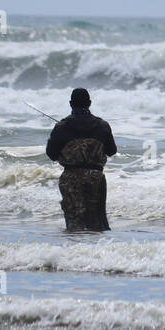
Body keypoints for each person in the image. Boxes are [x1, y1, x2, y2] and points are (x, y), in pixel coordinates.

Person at [45, 88, 117, 232]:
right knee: (97, 223)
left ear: (71, 104)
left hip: (70, 179)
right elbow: (111, 151)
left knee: (74, 223)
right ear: (89, 103)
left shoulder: (62, 127)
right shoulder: (102, 126)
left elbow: (51, 154)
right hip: (95, 178)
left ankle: (75, 252)